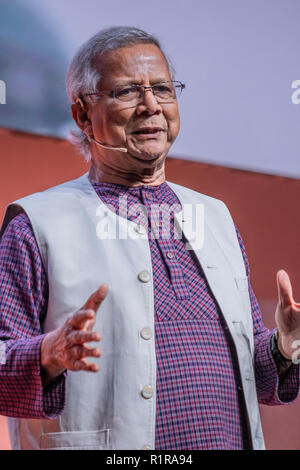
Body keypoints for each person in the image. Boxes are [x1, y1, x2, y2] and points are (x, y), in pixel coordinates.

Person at [0, 26, 299, 451]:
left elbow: (258, 379)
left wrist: (286, 347)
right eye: (126, 91)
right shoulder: (36, 224)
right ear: (83, 115)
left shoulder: (214, 218)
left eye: (162, 88)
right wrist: (47, 354)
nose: (151, 106)